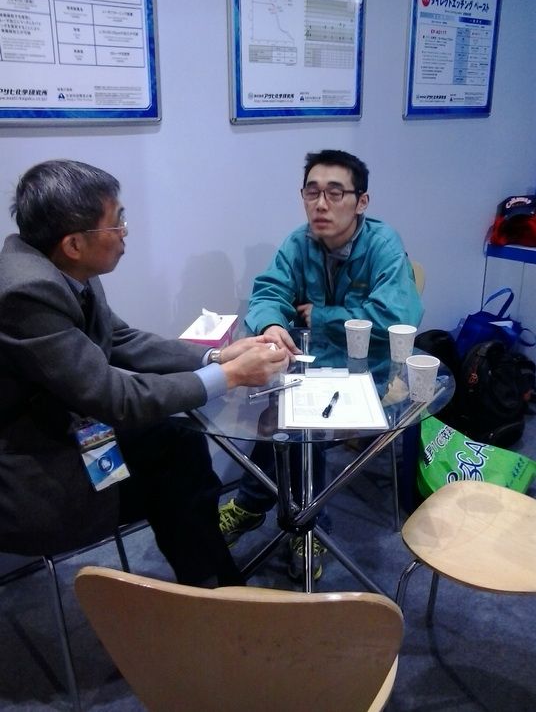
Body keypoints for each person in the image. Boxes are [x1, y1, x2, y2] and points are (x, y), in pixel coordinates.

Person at [0, 159, 289, 588]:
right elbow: (115, 398)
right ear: (74, 243)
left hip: (75, 435)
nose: (125, 232)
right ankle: (218, 595)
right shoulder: (26, 293)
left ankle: (212, 589)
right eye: (116, 222)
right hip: (41, 475)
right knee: (180, 481)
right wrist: (231, 376)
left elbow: (121, 338)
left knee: (179, 448)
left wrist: (217, 357)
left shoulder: (61, 265)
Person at [219, 149, 423, 579]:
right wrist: (273, 323)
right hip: (307, 366)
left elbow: (397, 317)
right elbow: (269, 291)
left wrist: (322, 316)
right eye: (312, 192)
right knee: (286, 408)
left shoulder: (383, 244)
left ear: (361, 202)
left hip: (368, 372)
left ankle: (274, 512)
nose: (321, 204)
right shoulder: (299, 242)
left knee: (293, 419)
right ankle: (301, 522)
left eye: (335, 193)